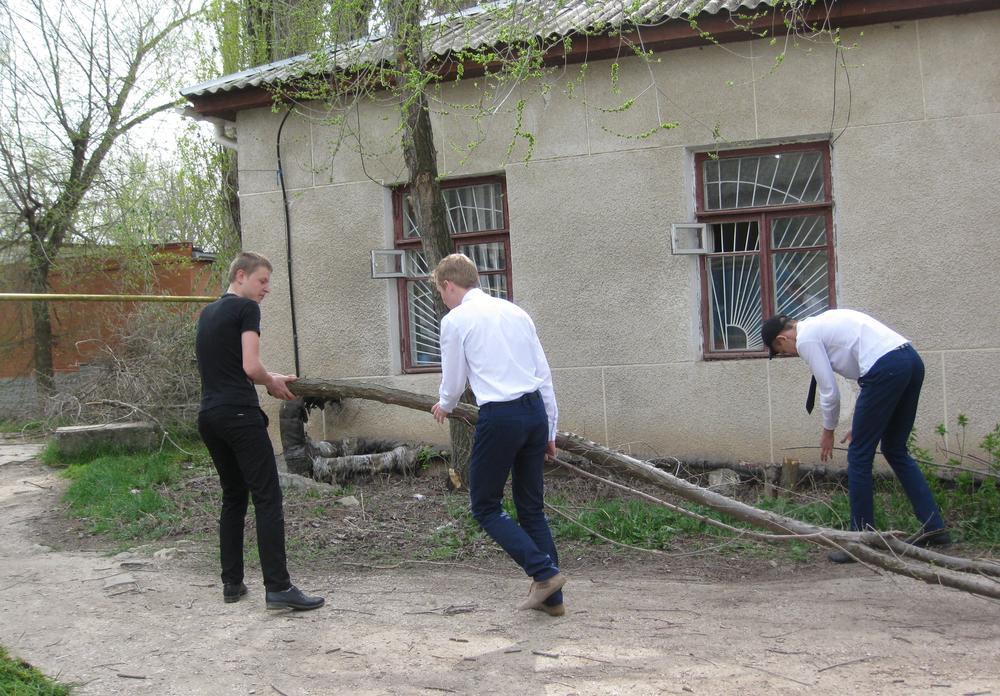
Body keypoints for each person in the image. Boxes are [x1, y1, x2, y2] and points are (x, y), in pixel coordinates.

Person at [430, 253, 566, 616]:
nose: (443, 300)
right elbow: (544, 373)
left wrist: (445, 404)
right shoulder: (516, 312)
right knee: (531, 508)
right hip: (534, 411)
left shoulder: (456, 320)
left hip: (501, 416)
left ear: (449, 285)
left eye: (441, 292)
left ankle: (544, 573)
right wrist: (550, 427)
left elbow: (455, 380)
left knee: (485, 505)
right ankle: (552, 600)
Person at [761, 309, 949, 563]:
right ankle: (934, 527)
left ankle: (860, 540)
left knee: (859, 456)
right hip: (910, 361)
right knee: (895, 449)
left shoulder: (806, 339)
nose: (789, 355)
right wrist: (865, 418)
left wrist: (828, 431)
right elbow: (869, 365)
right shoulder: (822, 322)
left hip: (886, 369)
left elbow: (830, 392)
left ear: (782, 340)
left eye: (783, 352)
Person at [196, 252, 324, 610]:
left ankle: (232, 584)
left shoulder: (208, 313)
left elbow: (233, 368)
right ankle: (279, 588)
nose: (267, 288)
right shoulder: (246, 309)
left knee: (233, 495)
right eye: (262, 280)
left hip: (210, 416)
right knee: (267, 497)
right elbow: (251, 367)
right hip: (239, 416)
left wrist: (271, 377)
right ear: (241, 276)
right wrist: (271, 382)